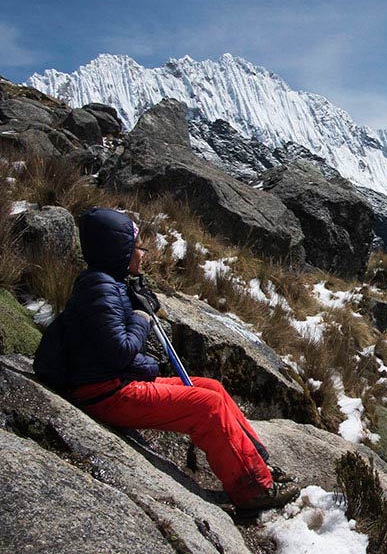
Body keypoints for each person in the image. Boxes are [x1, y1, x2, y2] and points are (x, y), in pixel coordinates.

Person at [62, 207, 298, 512]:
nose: (143, 254)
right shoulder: (100, 288)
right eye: (138, 247)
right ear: (120, 250)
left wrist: (138, 294)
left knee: (211, 388)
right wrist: (140, 318)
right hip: (107, 392)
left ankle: (257, 466)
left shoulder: (110, 282)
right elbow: (120, 350)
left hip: (117, 380)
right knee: (207, 408)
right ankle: (253, 490)